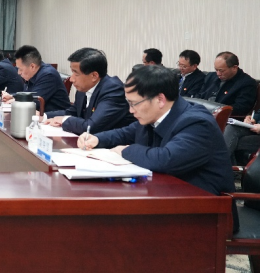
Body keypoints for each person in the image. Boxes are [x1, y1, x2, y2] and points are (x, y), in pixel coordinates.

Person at [78, 66, 237, 231]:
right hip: (167, 199)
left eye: (134, 104)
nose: (131, 110)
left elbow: (166, 159)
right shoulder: (155, 115)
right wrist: (97, 138)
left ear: (160, 99)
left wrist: (125, 150)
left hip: (207, 213)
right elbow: (126, 132)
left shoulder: (197, 122)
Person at [45, 48, 135, 135]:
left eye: (76, 73)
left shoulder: (113, 90)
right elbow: (73, 112)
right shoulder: (83, 87)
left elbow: (91, 127)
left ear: (94, 76)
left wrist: (64, 120)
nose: (71, 79)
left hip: (115, 143)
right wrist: (43, 116)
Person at [3, 45, 71, 113]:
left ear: (32, 66)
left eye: (20, 69)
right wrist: (12, 96)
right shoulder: (32, 74)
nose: (18, 73)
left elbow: (34, 102)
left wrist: (15, 100)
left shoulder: (48, 75)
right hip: (39, 116)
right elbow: (28, 94)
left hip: (55, 117)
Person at [199, 52, 257, 117]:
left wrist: (217, 110)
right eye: (216, 70)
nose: (218, 74)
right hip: (201, 112)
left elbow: (241, 108)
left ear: (234, 68)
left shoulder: (247, 83)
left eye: (221, 71)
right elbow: (199, 95)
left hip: (222, 117)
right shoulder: (211, 76)